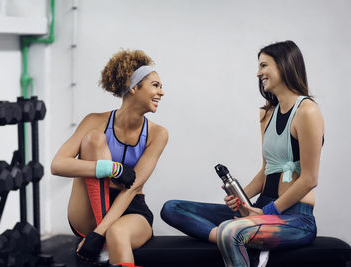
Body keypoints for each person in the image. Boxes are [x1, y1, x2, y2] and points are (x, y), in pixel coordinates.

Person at [160, 40, 324, 267]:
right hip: (260, 208)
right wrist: (241, 201)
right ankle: (248, 241)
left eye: (264, 66)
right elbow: (266, 170)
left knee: (230, 231)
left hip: (294, 217)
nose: (259, 73)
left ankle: (239, 238)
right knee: (172, 208)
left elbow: (309, 179)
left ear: (284, 65)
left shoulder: (307, 111)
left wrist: (265, 212)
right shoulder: (267, 113)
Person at [51, 49, 168, 267]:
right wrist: (112, 169)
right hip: (88, 206)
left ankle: (105, 239)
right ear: (134, 87)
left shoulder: (158, 134)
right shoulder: (94, 121)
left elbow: (132, 187)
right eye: (155, 85)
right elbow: (57, 165)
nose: (161, 92)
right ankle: (103, 234)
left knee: (117, 233)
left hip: (130, 207)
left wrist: (99, 233)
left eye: (161, 87)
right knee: (94, 140)